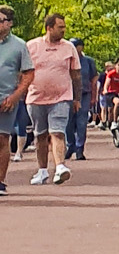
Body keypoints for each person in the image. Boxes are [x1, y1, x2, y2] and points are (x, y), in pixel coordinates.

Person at [23, 13, 82, 185]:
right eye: (60, 27)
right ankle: (42, 171)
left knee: (57, 132)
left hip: (61, 97)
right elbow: (23, 72)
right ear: (49, 28)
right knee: (40, 135)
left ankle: (60, 167)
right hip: (36, 97)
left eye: (64, 27)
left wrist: (77, 99)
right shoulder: (31, 46)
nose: (64, 30)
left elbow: (76, 75)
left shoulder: (69, 47)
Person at [0, 7, 32, 194]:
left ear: (9, 23)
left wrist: (16, 96)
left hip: (6, 99)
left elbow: (29, 73)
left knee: (3, 138)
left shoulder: (20, 46)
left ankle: (1, 180)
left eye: (1, 20)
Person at [65, 41, 97, 162]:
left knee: (81, 122)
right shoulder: (66, 60)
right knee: (68, 122)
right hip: (68, 95)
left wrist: (94, 96)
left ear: (81, 47)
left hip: (84, 94)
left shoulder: (88, 61)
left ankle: (79, 149)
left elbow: (94, 79)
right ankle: (70, 145)